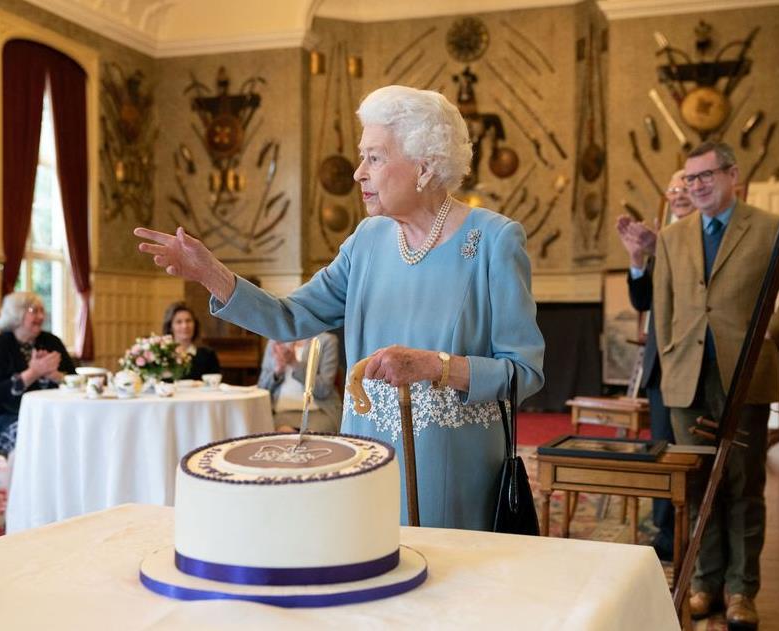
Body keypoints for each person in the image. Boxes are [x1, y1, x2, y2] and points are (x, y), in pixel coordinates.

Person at [136, 85, 545, 531]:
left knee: (446, 590)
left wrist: (437, 366)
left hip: (454, 468)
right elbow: (288, 318)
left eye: (374, 157)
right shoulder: (365, 242)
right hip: (366, 456)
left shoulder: (494, 240)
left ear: (424, 167)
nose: (357, 174)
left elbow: (524, 372)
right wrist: (211, 273)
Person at [653, 142, 779, 629]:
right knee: (699, 482)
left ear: (733, 176)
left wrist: (772, 333)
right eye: (690, 179)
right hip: (687, 381)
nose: (697, 186)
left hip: (745, 377)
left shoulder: (769, 229)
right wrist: (669, 357)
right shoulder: (672, 237)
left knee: (744, 486)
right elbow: (664, 311)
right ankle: (705, 583)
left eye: (706, 176)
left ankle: (741, 591)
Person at [616, 169, 696, 562]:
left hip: (698, 361)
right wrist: (636, 260)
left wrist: (657, 247)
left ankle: (698, 531)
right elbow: (643, 300)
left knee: (691, 453)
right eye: (674, 186)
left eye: (686, 185)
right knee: (661, 449)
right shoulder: (658, 235)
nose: (679, 192)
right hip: (661, 365)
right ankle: (666, 534)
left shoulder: (702, 238)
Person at [0, 292, 76, 456]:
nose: (41, 316)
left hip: (50, 416)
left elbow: (75, 380)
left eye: (42, 311)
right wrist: (33, 373)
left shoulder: (52, 342)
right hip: (0, 420)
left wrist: (56, 376)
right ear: (17, 314)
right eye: (34, 311)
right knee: (31, 435)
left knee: (73, 430)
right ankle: (23, 482)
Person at [258, 332, 342, 434]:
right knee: (274, 434)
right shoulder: (275, 341)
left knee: (309, 440)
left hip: (318, 412)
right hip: (281, 413)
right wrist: (277, 371)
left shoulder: (326, 340)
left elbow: (323, 390)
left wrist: (294, 363)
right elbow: (262, 388)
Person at [162, 302, 220, 380]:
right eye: (179, 322)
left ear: (195, 324)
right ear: (170, 327)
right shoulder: (163, 354)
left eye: (188, 321)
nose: (185, 326)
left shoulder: (208, 355)